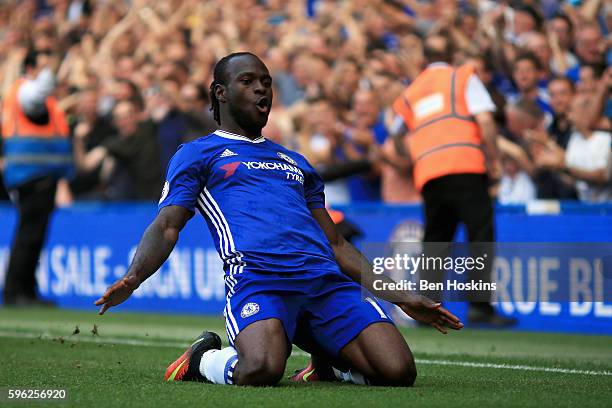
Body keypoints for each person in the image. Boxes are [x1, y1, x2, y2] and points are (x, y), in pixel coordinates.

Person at [94, 52, 462, 387]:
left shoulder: (295, 161)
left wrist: (401, 297)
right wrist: (134, 276)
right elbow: (167, 225)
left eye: (266, 83)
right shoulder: (198, 153)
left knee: (398, 372)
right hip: (260, 280)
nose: (261, 90)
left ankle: (327, 366)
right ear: (220, 93)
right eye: (248, 81)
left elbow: (335, 244)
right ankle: (202, 358)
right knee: (262, 369)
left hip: (324, 283)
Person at [389, 35, 515, 326]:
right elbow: (484, 121)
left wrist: (415, 154)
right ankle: (481, 308)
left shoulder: (412, 91)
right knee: (480, 236)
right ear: (452, 54)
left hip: (430, 173)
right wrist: (494, 160)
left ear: (424, 58)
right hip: (467, 165)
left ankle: (428, 307)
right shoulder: (462, 77)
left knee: (435, 241)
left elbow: (395, 135)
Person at [1, 49, 72, 306]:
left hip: (40, 176)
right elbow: (37, 93)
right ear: (30, 70)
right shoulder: (26, 92)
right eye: (42, 67)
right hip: (31, 176)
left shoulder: (34, 96)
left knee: (34, 236)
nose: (48, 72)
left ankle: (26, 290)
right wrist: (53, 68)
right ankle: (15, 291)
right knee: (29, 235)